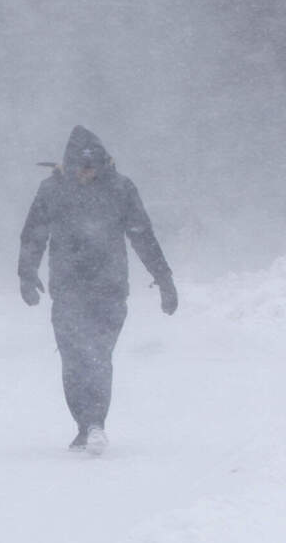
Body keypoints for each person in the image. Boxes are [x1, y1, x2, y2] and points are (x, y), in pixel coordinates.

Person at [17, 126, 177, 453]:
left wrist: (164, 278)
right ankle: (84, 423)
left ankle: (95, 423)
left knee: (98, 356)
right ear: (68, 164)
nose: (86, 172)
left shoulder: (120, 189)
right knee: (74, 358)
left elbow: (142, 236)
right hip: (67, 287)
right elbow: (34, 234)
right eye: (80, 166)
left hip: (110, 287)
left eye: (92, 166)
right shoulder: (52, 191)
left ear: (104, 163)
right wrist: (26, 273)